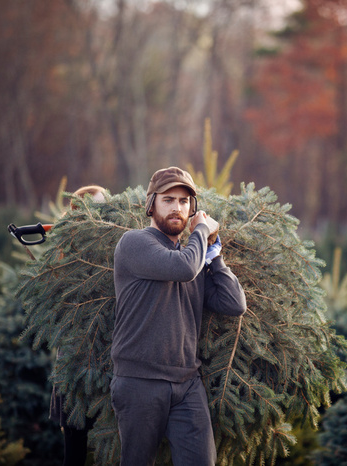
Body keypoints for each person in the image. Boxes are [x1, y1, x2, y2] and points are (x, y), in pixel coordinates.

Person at [111, 166, 247, 466]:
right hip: (139, 383)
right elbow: (182, 267)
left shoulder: (194, 259)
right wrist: (200, 229)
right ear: (151, 205)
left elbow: (234, 303)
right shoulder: (134, 243)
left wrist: (214, 255)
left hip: (187, 384)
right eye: (169, 200)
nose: (177, 208)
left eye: (185, 202)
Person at [49, 184, 107, 466]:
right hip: (76, 365)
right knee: (76, 447)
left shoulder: (114, 251)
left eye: (103, 207)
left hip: (110, 365)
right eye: (92, 208)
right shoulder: (67, 253)